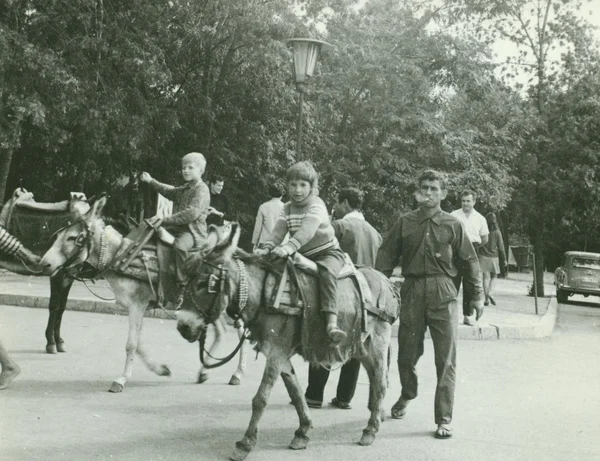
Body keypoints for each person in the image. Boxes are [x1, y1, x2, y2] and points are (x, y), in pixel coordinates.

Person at [375, 169, 483, 440]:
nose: (429, 192)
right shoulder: (405, 222)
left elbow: (469, 261)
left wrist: (477, 295)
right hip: (411, 291)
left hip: (443, 292)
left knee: (446, 359)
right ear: (418, 191)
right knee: (406, 355)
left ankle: (443, 418)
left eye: (435, 188)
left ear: (444, 194)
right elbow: (386, 255)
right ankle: (408, 393)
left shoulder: (453, 224)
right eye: (424, 187)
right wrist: (377, 287)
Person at [304, 187, 382, 409]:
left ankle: (314, 394)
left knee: (324, 336)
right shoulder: (374, 232)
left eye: (337, 203)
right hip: (366, 293)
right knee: (357, 342)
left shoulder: (339, 226)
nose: (335, 207)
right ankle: (344, 397)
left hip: (340, 289)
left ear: (345, 203)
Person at [256, 161, 346, 343]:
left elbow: (307, 230)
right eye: (293, 185)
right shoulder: (286, 208)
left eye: (303, 185)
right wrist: (266, 248)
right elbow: (277, 232)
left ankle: (331, 322)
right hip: (302, 253)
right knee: (273, 268)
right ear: (287, 186)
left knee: (327, 272)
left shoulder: (317, 205)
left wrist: (288, 247)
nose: (298, 190)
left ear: (312, 187)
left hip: (327, 253)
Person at [140, 152, 210, 298]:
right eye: (184, 167)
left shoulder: (201, 190)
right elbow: (168, 191)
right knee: (152, 235)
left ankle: (183, 283)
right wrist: (151, 181)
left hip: (192, 231)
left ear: (201, 171)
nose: (186, 170)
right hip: (177, 228)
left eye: (190, 167)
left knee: (180, 246)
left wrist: (164, 219)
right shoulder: (185, 188)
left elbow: (191, 213)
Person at [451, 190, 488, 325]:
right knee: (452, 282)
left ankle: (468, 316)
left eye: (468, 201)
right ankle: (451, 315)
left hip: (472, 250)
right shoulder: (453, 215)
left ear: (474, 202)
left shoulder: (480, 218)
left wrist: (472, 248)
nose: (465, 203)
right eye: (463, 201)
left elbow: (484, 238)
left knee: (470, 284)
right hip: (455, 251)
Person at [478, 212, 507, 306]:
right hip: (494, 257)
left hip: (483, 256)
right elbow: (501, 247)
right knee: (494, 276)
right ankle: (491, 292)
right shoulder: (497, 232)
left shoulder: (482, 230)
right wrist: (504, 259)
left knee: (485, 278)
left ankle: (486, 300)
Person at [251, 185, 285, 252]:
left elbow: (258, 228)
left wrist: (255, 243)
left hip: (265, 242)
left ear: (270, 194)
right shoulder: (285, 207)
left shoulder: (263, 207)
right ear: (282, 195)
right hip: (281, 244)